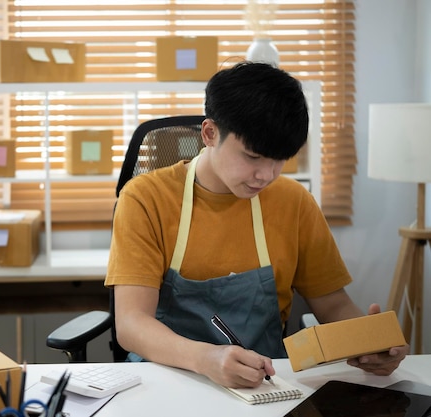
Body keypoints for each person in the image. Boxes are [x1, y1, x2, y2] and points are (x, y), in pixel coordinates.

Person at [104, 62, 409, 389]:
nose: (266, 175)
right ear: (210, 134)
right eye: (252, 157)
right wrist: (206, 359)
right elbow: (132, 323)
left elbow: (333, 304)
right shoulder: (146, 199)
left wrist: (371, 342)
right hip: (168, 380)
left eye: (279, 160)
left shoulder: (294, 202)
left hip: (265, 383)